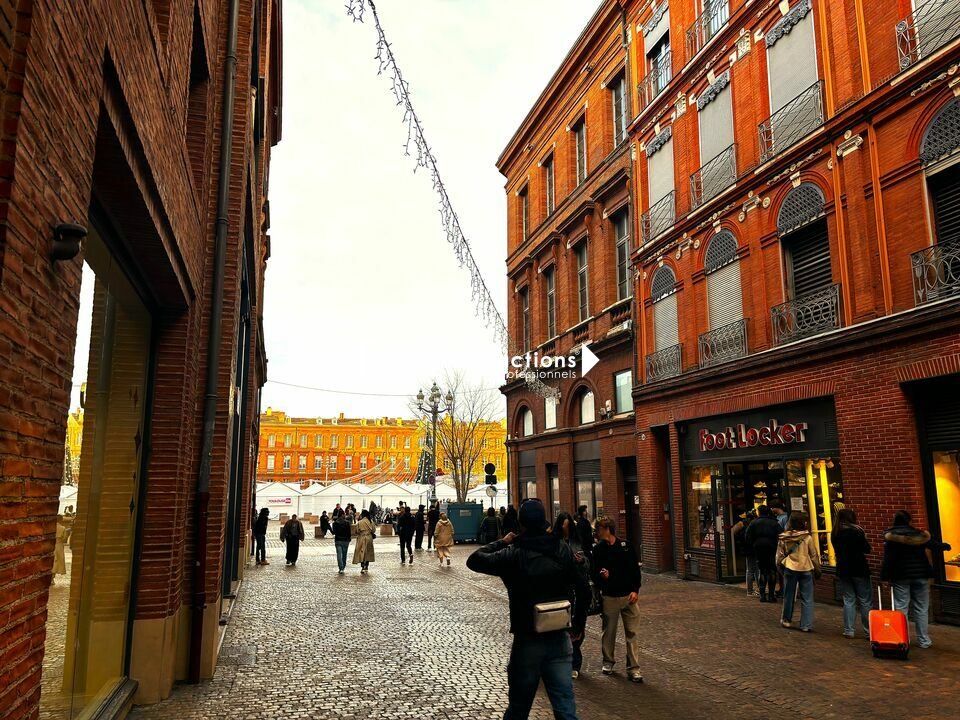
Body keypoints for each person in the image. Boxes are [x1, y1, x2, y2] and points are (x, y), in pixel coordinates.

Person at [467, 499, 588, 720]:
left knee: (519, 709)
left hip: (528, 638)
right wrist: (578, 624)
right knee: (565, 709)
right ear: (544, 522)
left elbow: (474, 560)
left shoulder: (514, 554)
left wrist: (502, 542)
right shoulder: (560, 548)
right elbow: (583, 587)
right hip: (559, 636)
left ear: (521, 523)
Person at [881, 510, 951, 649]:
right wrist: (946, 546)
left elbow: (888, 559)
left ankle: (902, 638)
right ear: (909, 521)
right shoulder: (919, 535)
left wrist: (884, 577)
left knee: (901, 608)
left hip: (900, 576)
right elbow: (934, 545)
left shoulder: (891, 538)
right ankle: (924, 640)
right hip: (921, 575)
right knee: (921, 608)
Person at [592, 517, 642, 682]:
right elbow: (594, 573)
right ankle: (608, 661)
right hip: (610, 596)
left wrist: (635, 590)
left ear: (606, 529)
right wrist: (602, 577)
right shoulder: (598, 549)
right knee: (609, 632)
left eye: (598, 529)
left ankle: (634, 668)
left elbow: (635, 570)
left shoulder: (626, 547)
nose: (596, 533)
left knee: (632, 633)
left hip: (629, 596)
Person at [553, 512, 591, 679]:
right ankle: (561, 662)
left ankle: (575, 663)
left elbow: (588, 563)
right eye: (563, 525)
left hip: (578, 590)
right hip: (561, 590)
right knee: (561, 628)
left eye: (567, 526)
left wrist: (581, 561)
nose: (565, 529)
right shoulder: (554, 543)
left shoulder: (577, 542)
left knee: (576, 626)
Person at [776, 513, 821, 632]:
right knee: (807, 598)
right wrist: (817, 569)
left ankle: (786, 620)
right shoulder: (807, 537)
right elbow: (814, 555)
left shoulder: (784, 537)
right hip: (806, 568)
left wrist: (780, 567)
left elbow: (779, 556)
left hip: (790, 568)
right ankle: (806, 625)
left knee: (789, 596)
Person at [832, 508, 872, 638]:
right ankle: (869, 631)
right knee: (865, 600)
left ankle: (849, 630)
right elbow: (867, 549)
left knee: (849, 600)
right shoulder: (857, 531)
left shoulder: (836, 533)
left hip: (843, 569)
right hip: (859, 568)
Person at [745, 505, 780, 602]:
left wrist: (754, 544)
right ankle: (771, 595)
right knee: (772, 570)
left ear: (759, 512)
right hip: (772, 548)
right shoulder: (774, 523)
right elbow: (781, 535)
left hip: (759, 548)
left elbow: (747, 536)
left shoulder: (754, 523)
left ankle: (762, 595)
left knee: (762, 570)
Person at [731, 510, 757, 596]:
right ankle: (754, 590)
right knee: (755, 569)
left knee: (750, 569)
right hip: (755, 547)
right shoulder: (755, 523)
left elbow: (733, 531)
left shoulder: (742, 523)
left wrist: (739, 539)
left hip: (747, 548)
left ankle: (750, 590)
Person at [352, 509, 376, 573]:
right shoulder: (371, 521)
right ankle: (367, 566)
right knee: (368, 552)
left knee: (361, 552)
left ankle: (362, 566)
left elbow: (356, 531)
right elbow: (373, 530)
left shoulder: (360, 522)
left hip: (362, 538)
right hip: (369, 538)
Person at [332, 509, 352, 574]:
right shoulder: (347, 523)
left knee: (339, 554)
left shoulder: (335, 523)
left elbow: (334, 532)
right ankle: (343, 567)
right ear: (342, 515)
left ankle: (340, 568)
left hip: (338, 540)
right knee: (344, 554)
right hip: (346, 541)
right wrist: (349, 539)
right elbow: (349, 533)